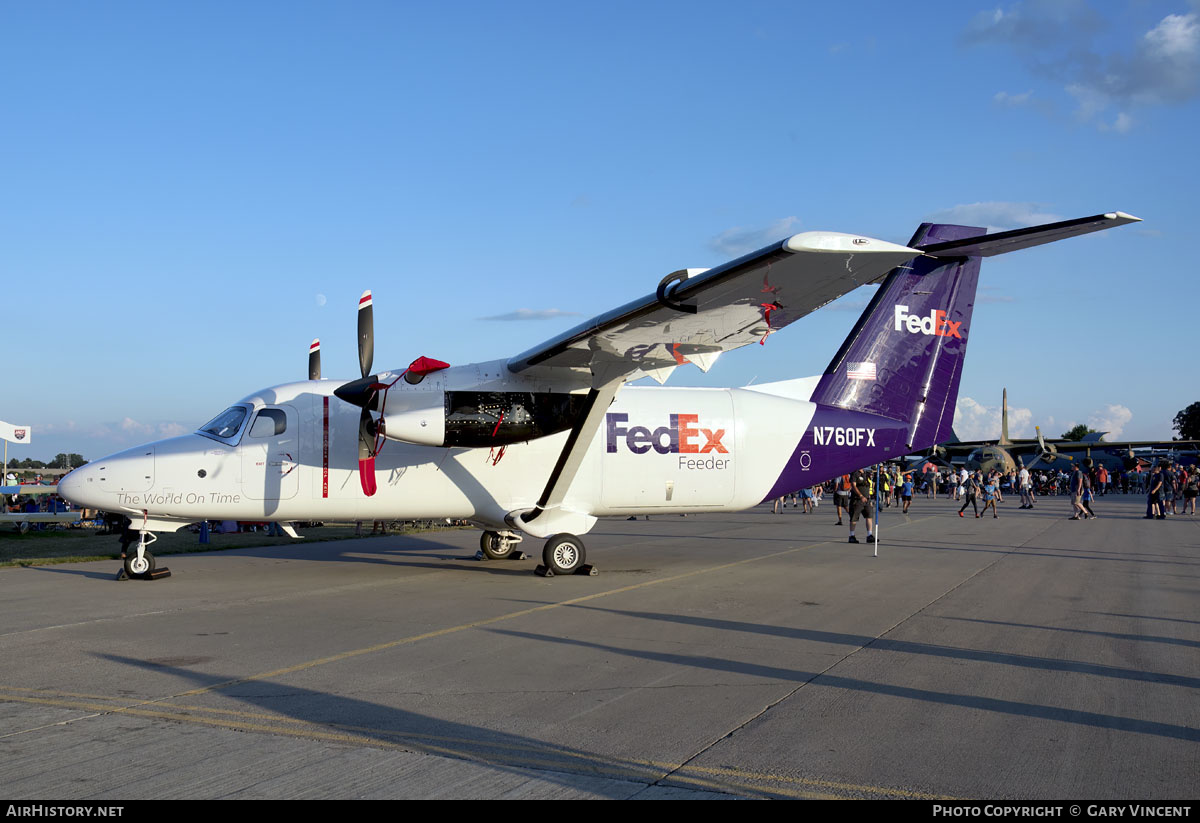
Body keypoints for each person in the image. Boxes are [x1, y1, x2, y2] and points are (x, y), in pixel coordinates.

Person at [847, 467, 875, 544]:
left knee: (869, 516)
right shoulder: (855, 473)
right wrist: (860, 495)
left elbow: (869, 486)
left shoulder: (866, 474)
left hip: (867, 499)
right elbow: (853, 485)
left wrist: (870, 498)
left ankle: (869, 535)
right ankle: (852, 536)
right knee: (854, 518)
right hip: (857, 499)